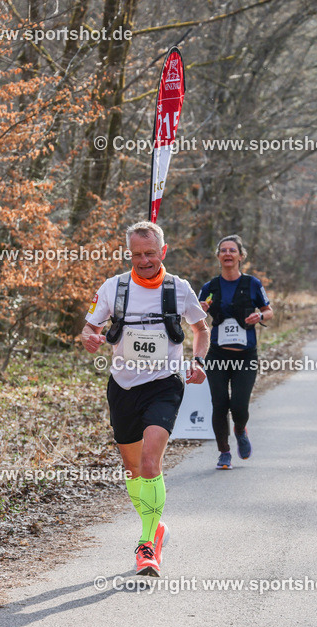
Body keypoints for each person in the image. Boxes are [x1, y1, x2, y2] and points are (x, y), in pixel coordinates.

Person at [81, 221, 209, 577]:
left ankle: (146, 545)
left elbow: (201, 329)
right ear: (130, 254)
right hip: (122, 387)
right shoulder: (114, 287)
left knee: (151, 463)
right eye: (137, 254)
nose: (144, 260)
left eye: (150, 253)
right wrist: (88, 337)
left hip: (164, 384)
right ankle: (156, 526)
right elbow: (89, 326)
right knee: (133, 469)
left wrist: (198, 361)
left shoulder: (178, 288)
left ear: (163, 251)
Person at [198, 235, 273, 470]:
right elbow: (194, 317)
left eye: (232, 250)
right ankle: (224, 452)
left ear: (241, 256)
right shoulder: (209, 288)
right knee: (219, 404)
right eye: (223, 250)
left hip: (245, 356)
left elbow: (269, 311)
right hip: (217, 355)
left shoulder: (252, 284)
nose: (228, 254)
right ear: (219, 256)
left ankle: (240, 429)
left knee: (239, 406)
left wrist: (260, 316)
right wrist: (200, 310)